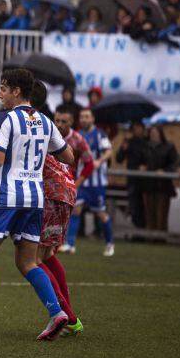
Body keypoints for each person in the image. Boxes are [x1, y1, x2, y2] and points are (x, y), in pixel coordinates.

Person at [0, 68, 74, 340]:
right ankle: (58, 313)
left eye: (3, 88)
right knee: (27, 263)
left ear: (16, 92)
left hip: (5, 197)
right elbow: (68, 155)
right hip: (34, 198)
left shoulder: (5, 119)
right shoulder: (46, 121)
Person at [31, 83, 86, 337]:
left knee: (31, 260)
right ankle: (72, 318)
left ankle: (66, 315)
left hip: (52, 193)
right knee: (48, 254)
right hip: (65, 191)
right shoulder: (47, 125)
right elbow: (71, 157)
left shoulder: (30, 121)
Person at [61, 108, 114, 256]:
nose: (84, 119)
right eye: (82, 117)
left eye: (87, 117)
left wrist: (99, 161)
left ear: (93, 119)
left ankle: (109, 243)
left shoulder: (100, 134)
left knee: (101, 213)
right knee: (76, 210)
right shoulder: (78, 135)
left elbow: (109, 151)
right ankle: (70, 244)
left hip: (97, 182)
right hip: (82, 180)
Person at [139, 126, 178, 231]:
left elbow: (174, 164)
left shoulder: (168, 147)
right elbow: (140, 161)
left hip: (163, 186)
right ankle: (150, 238)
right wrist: (142, 166)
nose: (153, 134)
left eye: (155, 132)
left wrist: (165, 171)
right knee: (149, 213)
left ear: (160, 134)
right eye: (151, 132)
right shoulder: (145, 147)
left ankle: (161, 239)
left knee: (161, 214)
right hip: (148, 185)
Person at [116, 121, 147, 228]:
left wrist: (146, 166)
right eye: (135, 128)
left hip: (147, 180)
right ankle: (137, 231)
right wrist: (123, 149)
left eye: (139, 127)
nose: (137, 130)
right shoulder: (128, 142)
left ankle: (144, 231)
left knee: (145, 207)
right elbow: (119, 159)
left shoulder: (147, 142)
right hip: (132, 179)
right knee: (134, 206)